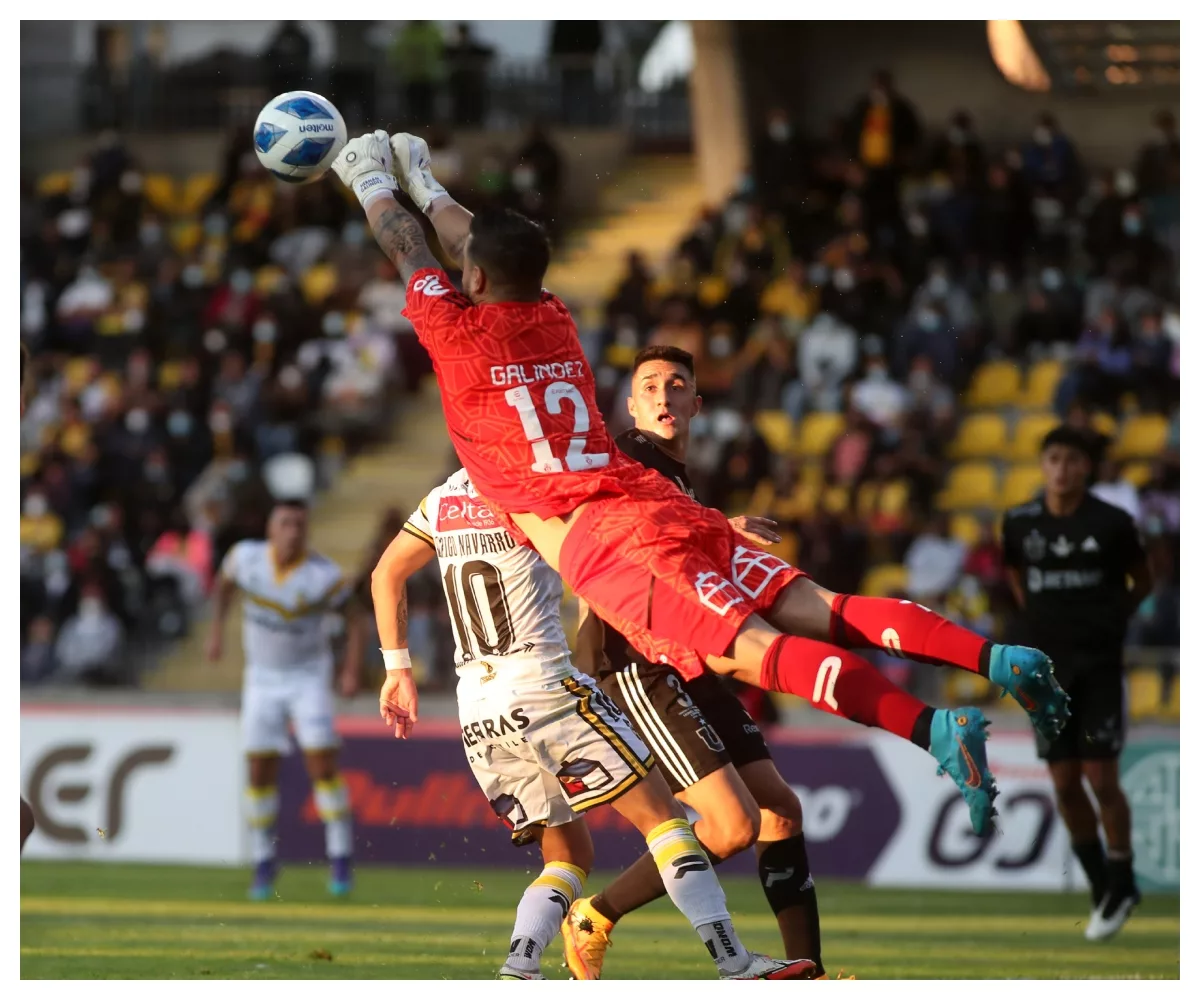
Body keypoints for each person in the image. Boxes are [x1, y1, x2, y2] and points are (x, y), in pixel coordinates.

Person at [332, 130, 1067, 842]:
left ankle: (936, 729)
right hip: (653, 501)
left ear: (478, 282)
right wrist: (422, 183)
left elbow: (406, 248)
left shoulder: (458, 339)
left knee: (752, 652)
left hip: (609, 541)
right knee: (821, 608)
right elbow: (472, 246)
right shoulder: (554, 318)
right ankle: (997, 660)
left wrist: (368, 180)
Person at [370, 470, 816, 980]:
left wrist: (397, 671)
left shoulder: (443, 498)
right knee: (665, 820)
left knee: (567, 852)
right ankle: (734, 962)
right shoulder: (537, 487)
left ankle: (520, 968)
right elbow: (631, 536)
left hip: (476, 707)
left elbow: (385, 575)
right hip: (544, 686)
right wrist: (716, 528)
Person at [562, 345, 825, 978]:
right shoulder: (628, 454)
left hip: (683, 656)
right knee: (732, 826)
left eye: (676, 385)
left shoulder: (679, 477)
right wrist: (718, 526)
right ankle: (592, 915)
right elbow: (622, 523)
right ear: (631, 406)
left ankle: (807, 971)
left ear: (696, 404)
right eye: (649, 385)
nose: (663, 394)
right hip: (633, 660)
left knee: (780, 811)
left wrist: (713, 529)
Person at [1001, 426, 1151, 941]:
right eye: (1053, 459)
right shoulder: (1019, 523)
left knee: (1101, 778)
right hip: (1046, 674)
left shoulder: (1112, 523)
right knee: (1064, 783)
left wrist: (1111, 621)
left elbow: (1145, 578)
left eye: (1071, 460)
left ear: (1086, 468)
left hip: (1100, 668)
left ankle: (1124, 874)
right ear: (1042, 465)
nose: (1062, 469)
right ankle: (1103, 888)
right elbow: (1016, 579)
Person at [205, 499, 365, 900]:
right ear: (270, 528)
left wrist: (349, 670)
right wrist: (216, 631)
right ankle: (263, 861)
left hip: (308, 677)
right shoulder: (244, 559)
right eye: (285, 523)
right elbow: (223, 589)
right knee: (259, 770)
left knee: (321, 765)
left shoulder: (323, 575)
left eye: (299, 524)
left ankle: (341, 857)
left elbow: (356, 620)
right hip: (260, 678)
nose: (292, 531)